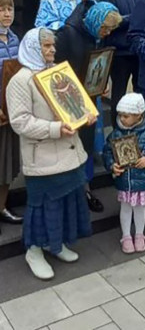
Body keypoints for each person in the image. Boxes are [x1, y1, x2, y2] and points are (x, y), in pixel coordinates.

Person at [6, 28, 95, 280]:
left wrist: (83, 115)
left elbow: (74, 103)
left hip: (68, 153)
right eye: (46, 46)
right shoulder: (21, 80)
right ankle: (34, 251)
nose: (52, 50)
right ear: (33, 47)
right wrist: (56, 129)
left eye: (52, 46)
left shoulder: (57, 71)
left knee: (65, 201)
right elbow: (20, 122)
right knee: (43, 205)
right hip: (43, 156)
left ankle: (54, 244)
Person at [55, 1, 122, 212]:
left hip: (90, 101)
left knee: (85, 146)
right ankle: (68, 194)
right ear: (94, 21)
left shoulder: (97, 36)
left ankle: (84, 190)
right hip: (68, 101)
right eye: (105, 28)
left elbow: (98, 63)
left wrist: (101, 82)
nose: (106, 33)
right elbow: (56, 70)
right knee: (69, 148)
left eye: (110, 30)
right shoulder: (67, 33)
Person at [103, 93, 145, 253]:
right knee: (125, 208)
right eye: (120, 115)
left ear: (138, 115)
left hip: (143, 179)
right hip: (125, 180)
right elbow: (107, 152)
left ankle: (139, 234)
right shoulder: (116, 134)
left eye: (126, 116)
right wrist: (112, 165)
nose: (122, 119)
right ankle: (126, 236)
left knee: (140, 208)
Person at [100, 0, 145, 124]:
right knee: (118, 95)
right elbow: (109, 22)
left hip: (139, 52)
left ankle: (140, 129)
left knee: (141, 93)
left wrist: (127, 18)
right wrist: (132, 18)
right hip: (120, 53)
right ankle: (117, 133)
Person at [0, 0, 22, 232]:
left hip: (11, 111)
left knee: (6, 162)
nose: (7, 13)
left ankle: (2, 206)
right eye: (1, 10)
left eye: (10, 9)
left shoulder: (16, 39)